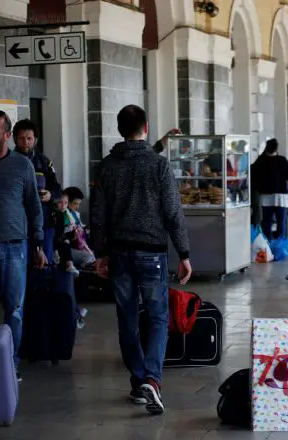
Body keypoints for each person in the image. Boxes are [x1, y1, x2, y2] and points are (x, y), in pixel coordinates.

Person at [91, 104, 192, 416]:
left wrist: (100, 254)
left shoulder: (107, 166)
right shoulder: (159, 166)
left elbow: (98, 215)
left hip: (120, 252)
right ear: (146, 127)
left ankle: (138, 380)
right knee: (159, 316)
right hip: (152, 253)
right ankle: (152, 378)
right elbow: (173, 212)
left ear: (120, 129)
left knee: (127, 318)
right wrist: (184, 253)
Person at [0, 110, 47, 381]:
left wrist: (38, 245)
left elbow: (33, 207)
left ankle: (9, 365)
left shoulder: (21, 166)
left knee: (15, 309)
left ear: (6, 135)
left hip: (15, 246)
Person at [13, 119, 61, 264]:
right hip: (18, 224)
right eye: (21, 138)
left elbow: (57, 188)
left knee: (44, 266)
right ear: (14, 139)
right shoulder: (8, 162)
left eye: (29, 138)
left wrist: (50, 195)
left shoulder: (44, 162)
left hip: (44, 222)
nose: (25, 142)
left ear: (35, 140)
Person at [250, 139, 288, 239]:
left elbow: (252, 173)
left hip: (266, 196)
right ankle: (280, 244)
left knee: (267, 222)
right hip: (281, 197)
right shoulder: (282, 160)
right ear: (276, 148)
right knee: (281, 223)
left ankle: (268, 244)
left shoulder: (261, 160)